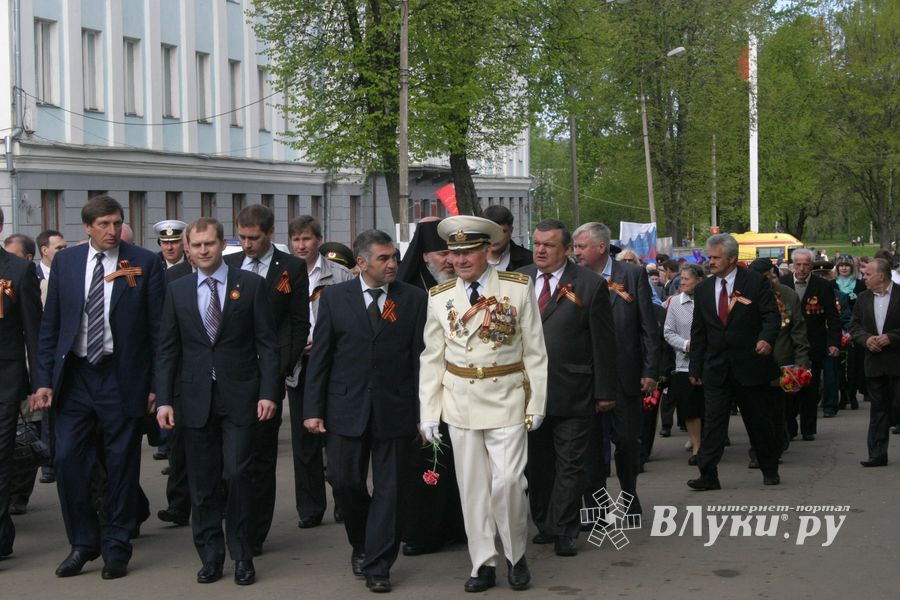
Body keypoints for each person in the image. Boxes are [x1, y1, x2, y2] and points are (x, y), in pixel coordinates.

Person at [33, 195, 164, 579]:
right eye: (104, 224)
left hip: (119, 375)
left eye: (116, 223)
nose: (112, 231)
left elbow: (158, 331)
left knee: (121, 463)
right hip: (74, 377)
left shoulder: (143, 262)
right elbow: (50, 326)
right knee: (69, 460)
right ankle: (83, 543)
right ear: (87, 227)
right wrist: (43, 379)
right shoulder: (67, 263)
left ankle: (117, 545)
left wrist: (156, 383)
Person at [419, 215, 547, 592]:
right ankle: (483, 562)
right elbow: (432, 358)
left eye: (468, 252)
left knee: (507, 482)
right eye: (453, 253)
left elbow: (535, 352)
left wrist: (536, 402)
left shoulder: (517, 288)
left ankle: (515, 554)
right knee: (472, 488)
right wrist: (428, 412)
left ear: (487, 250)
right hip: (460, 402)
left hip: (507, 397)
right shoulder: (441, 298)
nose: (459, 260)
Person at [155, 217, 280, 586]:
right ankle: (210, 555)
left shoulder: (251, 285)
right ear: (189, 250)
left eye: (209, 243)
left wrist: (269, 392)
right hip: (194, 400)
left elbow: (267, 345)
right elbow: (166, 349)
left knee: (238, 474)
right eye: (196, 246)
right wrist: (163, 400)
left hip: (241, 397)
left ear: (222, 244)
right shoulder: (177, 289)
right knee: (203, 482)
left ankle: (242, 554)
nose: (203, 250)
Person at [304, 229, 426, 594]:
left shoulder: (413, 299)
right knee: (344, 483)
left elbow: (421, 359)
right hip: (345, 408)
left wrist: (424, 412)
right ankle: (362, 542)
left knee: (390, 490)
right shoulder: (336, 299)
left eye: (394, 258)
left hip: (396, 408)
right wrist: (313, 409)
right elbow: (321, 357)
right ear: (361, 263)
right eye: (384, 259)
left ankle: (378, 564)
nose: (392, 265)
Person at [519, 219, 616, 558]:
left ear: (564, 249)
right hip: (527, 393)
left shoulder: (589, 285)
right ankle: (545, 522)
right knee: (537, 463)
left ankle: (564, 528)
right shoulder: (518, 279)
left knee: (571, 464)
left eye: (548, 244)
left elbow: (602, 343)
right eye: (537, 243)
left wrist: (604, 391)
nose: (540, 250)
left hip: (574, 389)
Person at [225, 204, 309, 555]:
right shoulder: (229, 265)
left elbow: (297, 322)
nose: (247, 244)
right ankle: (233, 523)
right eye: (242, 237)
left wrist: (279, 369)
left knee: (260, 456)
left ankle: (255, 531)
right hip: (231, 374)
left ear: (270, 234)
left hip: (269, 375)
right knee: (231, 459)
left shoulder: (290, 268)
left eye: (254, 238)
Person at [573, 222, 658, 516]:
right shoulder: (574, 278)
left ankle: (629, 494)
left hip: (625, 375)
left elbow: (647, 325)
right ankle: (595, 507)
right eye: (574, 247)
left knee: (626, 440)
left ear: (601, 248)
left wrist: (650, 370)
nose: (576, 253)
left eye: (581, 247)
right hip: (587, 378)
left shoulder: (631, 276)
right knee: (591, 447)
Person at [687, 234, 781, 490]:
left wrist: (766, 339)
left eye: (716, 258)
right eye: (710, 257)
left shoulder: (754, 283)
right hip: (716, 367)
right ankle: (708, 473)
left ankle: (769, 467)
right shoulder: (705, 288)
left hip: (749, 364)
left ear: (732, 259)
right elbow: (699, 330)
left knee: (757, 420)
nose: (711, 262)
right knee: (714, 422)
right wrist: (695, 366)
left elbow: (771, 315)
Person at [396, 218, 466, 557]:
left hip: (459, 391)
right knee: (425, 466)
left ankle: (459, 526)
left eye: (453, 252)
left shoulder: (460, 287)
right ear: (424, 257)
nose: (450, 260)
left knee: (458, 464)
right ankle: (423, 531)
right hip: (418, 393)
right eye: (442, 254)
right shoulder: (409, 294)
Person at [287, 215, 353, 528]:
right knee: (304, 440)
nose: (301, 245)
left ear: (318, 240)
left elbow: (351, 318)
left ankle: (344, 500)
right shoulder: (282, 275)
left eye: (307, 239)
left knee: (336, 435)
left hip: (332, 363)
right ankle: (310, 507)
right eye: (296, 240)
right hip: (298, 365)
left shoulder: (339, 275)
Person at [0, 208, 42, 558]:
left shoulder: (18, 270)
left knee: (1, 454)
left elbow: (34, 331)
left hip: (5, 378)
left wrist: (39, 383)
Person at [747, 258, 810, 466]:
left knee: (776, 411)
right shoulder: (742, 295)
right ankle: (758, 451)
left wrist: (802, 363)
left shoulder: (787, 295)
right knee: (756, 411)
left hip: (781, 364)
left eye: (768, 278)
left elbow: (798, 331)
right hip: (751, 363)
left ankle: (774, 445)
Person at [780, 248, 840, 439]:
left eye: (806, 264)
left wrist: (833, 343)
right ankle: (789, 428)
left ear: (812, 266)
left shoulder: (823, 286)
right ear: (792, 265)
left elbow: (833, 318)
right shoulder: (783, 284)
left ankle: (808, 429)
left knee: (810, 387)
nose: (802, 268)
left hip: (813, 343)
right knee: (788, 388)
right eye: (798, 264)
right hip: (788, 344)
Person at [850, 258, 899, 467]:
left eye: (868, 274)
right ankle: (877, 454)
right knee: (878, 410)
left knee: (897, 405)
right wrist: (866, 339)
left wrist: (892, 337)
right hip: (874, 362)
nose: (865, 278)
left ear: (882, 275)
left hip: (897, 361)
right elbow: (854, 326)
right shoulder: (862, 298)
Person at [663, 263, 706, 465]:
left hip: (709, 361)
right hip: (684, 363)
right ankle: (697, 446)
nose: (682, 282)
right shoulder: (674, 303)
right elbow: (668, 332)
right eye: (681, 278)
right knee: (690, 407)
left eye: (687, 279)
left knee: (708, 405)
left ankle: (710, 441)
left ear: (699, 281)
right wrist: (686, 345)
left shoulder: (708, 301)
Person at [835, 255, 866, 410]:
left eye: (847, 265)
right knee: (840, 364)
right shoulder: (832, 284)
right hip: (838, 328)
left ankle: (853, 394)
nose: (844, 268)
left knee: (854, 364)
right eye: (841, 265)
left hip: (856, 328)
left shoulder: (860, 284)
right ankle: (842, 394)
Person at [482, 205, 533, 271]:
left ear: (511, 231)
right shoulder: (470, 258)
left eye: (502, 232)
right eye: (490, 232)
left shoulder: (529, 260)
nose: (495, 238)